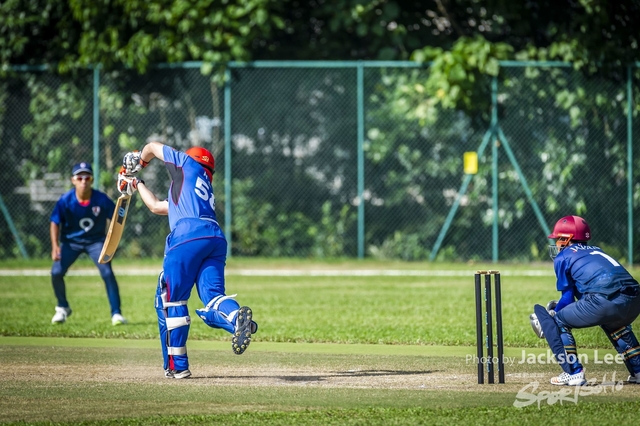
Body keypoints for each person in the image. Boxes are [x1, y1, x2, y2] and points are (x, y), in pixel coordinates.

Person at [119, 142, 257, 379]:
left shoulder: (186, 163)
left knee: (171, 299)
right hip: (214, 237)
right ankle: (236, 319)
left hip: (186, 237)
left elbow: (152, 146)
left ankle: (178, 366)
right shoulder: (198, 190)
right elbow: (155, 206)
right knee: (213, 297)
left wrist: (138, 161)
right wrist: (135, 183)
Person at [532, 215, 640, 386]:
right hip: (634, 299)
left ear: (567, 239)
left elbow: (567, 298)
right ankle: (638, 370)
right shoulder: (597, 250)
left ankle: (573, 372)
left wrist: (553, 313)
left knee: (558, 320)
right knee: (615, 324)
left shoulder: (563, 256)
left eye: (558, 238)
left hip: (604, 301)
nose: (556, 243)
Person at [50, 162, 127, 326]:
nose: (83, 181)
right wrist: (55, 246)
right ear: (73, 180)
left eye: (87, 177)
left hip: (96, 242)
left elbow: (117, 218)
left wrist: (111, 241)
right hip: (71, 242)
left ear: (92, 180)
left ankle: (116, 313)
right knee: (56, 272)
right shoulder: (65, 200)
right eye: (79, 178)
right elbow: (55, 222)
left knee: (107, 273)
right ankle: (62, 307)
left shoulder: (101, 199)